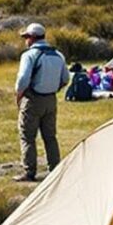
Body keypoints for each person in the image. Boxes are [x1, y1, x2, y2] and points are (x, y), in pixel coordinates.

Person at [15, 23, 68, 182]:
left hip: (33, 99)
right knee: (50, 136)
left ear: (31, 38)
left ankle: (29, 172)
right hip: (51, 99)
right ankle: (54, 169)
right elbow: (66, 78)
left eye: (26, 37)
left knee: (27, 136)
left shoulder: (29, 55)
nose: (25, 41)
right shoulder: (58, 55)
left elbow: (23, 80)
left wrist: (19, 95)